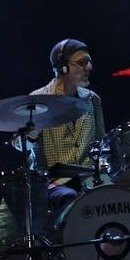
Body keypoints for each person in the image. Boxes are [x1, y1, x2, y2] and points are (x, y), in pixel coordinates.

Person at [14, 39, 107, 217]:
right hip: (53, 179)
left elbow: (101, 142)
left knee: (118, 194)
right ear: (62, 68)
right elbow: (19, 144)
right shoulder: (38, 100)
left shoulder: (92, 99)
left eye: (89, 62)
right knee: (68, 197)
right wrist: (32, 133)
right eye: (82, 63)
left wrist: (103, 160)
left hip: (88, 174)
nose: (89, 67)